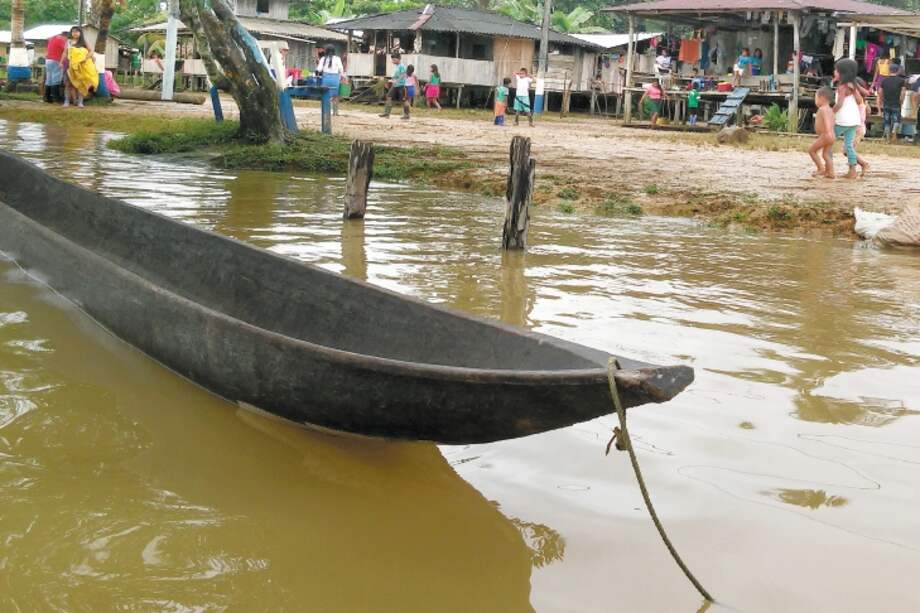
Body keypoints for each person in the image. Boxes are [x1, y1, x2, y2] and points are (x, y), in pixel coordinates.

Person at [833, 58, 869, 179]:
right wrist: (854, 89)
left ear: (843, 73)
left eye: (836, 71)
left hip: (843, 120)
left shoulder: (843, 87)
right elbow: (860, 100)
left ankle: (826, 168)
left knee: (827, 141)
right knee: (849, 146)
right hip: (853, 121)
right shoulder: (852, 85)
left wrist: (829, 112)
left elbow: (839, 104)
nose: (834, 72)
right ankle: (852, 170)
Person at [63, 27, 97, 108]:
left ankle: (80, 102)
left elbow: (91, 51)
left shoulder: (83, 42)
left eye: (77, 32)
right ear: (71, 33)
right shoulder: (68, 42)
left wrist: (85, 59)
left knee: (80, 84)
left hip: (81, 66)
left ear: (80, 33)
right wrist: (61, 63)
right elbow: (65, 53)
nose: (75, 33)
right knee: (68, 84)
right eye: (73, 32)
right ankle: (66, 101)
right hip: (69, 65)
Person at [809, 86, 836, 179]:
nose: (815, 101)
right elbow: (833, 120)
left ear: (822, 98)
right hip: (831, 135)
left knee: (812, 150)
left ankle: (820, 168)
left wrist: (827, 131)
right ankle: (830, 172)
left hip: (826, 135)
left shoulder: (822, 109)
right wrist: (830, 132)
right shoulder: (831, 110)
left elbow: (827, 121)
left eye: (815, 98)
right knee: (825, 155)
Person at [878, 63, 906, 143]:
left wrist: (883, 100)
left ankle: (887, 138)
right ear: (898, 71)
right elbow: (903, 93)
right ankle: (894, 134)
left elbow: (880, 92)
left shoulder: (884, 80)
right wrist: (901, 101)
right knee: (896, 120)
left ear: (889, 70)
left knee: (887, 121)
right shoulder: (901, 81)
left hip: (886, 103)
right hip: (896, 103)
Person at [380, 53, 410, 120]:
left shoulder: (402, 66)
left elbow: (403, 74)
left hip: (401, 86)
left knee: (403, 100)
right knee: (388, 96)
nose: (393, 61)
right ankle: (386, 113)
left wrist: (398, 80)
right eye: (392, 60)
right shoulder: (396, 66)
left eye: (394, 59)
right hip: (395, 85)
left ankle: (407, 114)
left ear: (399, 59)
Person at [318, 45, 344, 116]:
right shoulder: (337, 58)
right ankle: (335, 112)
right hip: (335, 78)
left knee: (326, 95)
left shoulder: (323, 59)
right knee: (335, 95)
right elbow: (341, 69)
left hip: (326, 78)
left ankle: (326, 111)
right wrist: (342, 76)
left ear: (326, 51)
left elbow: (319, 69)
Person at [43, 30, 68, 103]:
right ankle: (56, 98)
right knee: (56, 79)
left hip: (48, 60)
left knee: (49, 79)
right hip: (56, 60)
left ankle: (47, 98)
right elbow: (66, 51)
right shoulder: (62, 40)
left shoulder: (52, 38)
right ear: (65, 36)